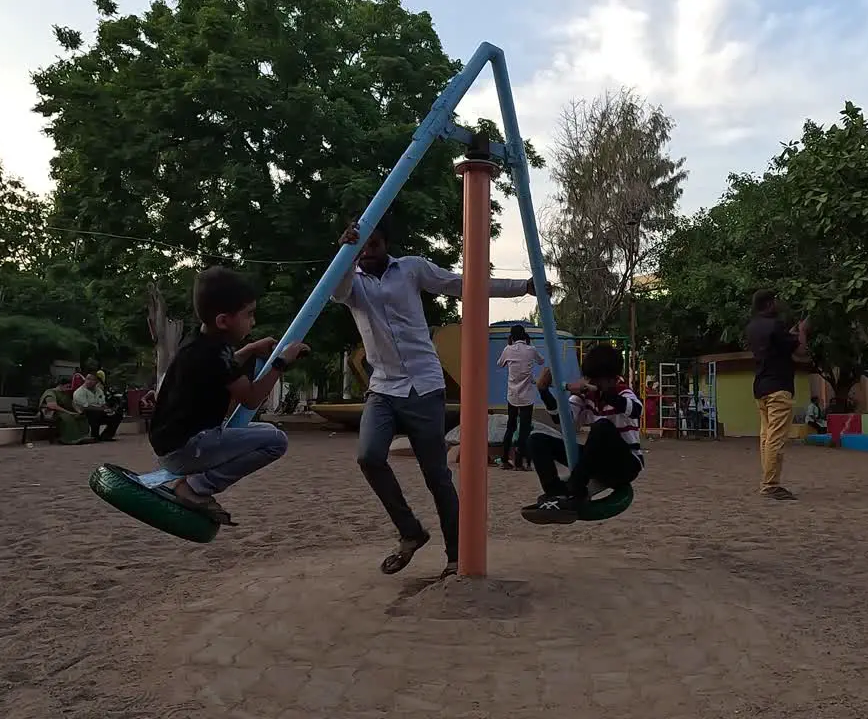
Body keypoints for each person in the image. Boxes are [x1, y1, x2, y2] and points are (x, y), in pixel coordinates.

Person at [334, 215, 546, 579]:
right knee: (369, 456)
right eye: (363, 246)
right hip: (384, 387)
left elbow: (463, 284)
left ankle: (455, 555)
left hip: (424, 386)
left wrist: (523, 286)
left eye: (374, 245)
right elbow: (334, 291)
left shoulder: (411, 269)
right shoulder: (352, 281)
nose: (368, 253)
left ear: (387, 245)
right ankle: (411, 532)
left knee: (436, 474)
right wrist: (345, 252)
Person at [148, 266, 309, 526]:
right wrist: (281, 363)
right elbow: (252, 398)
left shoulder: (197, 344)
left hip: (170, 445)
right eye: (249, 315)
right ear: (223, 320)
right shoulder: (216, 356)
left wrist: (250, 349)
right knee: (276, 440)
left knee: (259, 432)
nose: (253, 322)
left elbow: (224, 367)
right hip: (188, 450)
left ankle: (188, 481)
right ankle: (196, 487)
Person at [521, 344, 644, 524]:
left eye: (596, 380)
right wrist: (544, 392)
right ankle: (555, 493)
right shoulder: (585, 397)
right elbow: (563, 420)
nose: (591, 382)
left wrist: (602, 394)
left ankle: (576, 492)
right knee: (536, 439)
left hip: (624, 464)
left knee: (601, 427)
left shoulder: (623, 393)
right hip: (596, 461)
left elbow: (636, 410)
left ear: (611, 379)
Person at [745, 289, 808, 501]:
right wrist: (802, 331)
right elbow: (800, 351)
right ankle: (770, 485)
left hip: (761, 386)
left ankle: (768, 481)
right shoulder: (775, 325)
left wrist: (790, 335)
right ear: (770, 303)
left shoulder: (753, 326)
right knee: (776, 439)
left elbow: (777, 345)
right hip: (778, 387)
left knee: (766, 438)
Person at [496, 324, 543, 470]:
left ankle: (504, 459)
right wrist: (530, 345)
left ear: (511, 337)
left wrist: (508, 346)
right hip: (527, 395)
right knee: (524, 429)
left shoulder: (508, 350)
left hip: (512, 395)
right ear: (525, 336)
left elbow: (500, 364)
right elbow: (541, 361)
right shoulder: (531, 350)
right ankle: (519, 461)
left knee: (511, 426)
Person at [39, 379, 93, 445]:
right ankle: (70, 438)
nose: (68, 389)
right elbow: (52, 405)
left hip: (63, 412)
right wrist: (68, 412)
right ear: (60, 385)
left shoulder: (65, 394)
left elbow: (72, 404)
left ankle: (83, 436)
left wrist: (78, 411)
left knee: (81, 417)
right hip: (51, 413)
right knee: (67, 418)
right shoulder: (50, 392)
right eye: (67, 387)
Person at [73, 372, 122, 441]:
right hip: (84, 413)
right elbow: (85, 407)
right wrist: (102, 409)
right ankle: (94, 436)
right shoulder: (79, 392)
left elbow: (102, 403)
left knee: (118, 414)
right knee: (93, 412)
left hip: (99, 411)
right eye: (88, 379)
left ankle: (106, 436)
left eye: (93, 380)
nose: (89, 381)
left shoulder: (99, 390)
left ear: (97, 381)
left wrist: (109, 410)